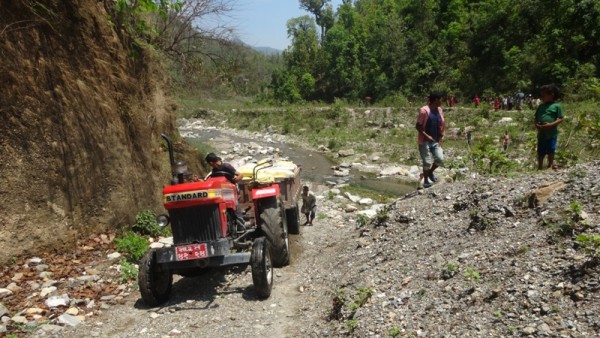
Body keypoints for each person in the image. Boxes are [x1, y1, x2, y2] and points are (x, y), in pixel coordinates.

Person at [416, 91, 445, 188]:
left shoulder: (439, 110)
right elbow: (418, 126)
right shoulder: (424, 110)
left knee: (440, 159)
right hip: (425, 141)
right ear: (436, 100)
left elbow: (441, 124)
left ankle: (429, 173)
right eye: (441, 99)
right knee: (427, 162)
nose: (442, 101)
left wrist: (441, 136)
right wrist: (427, 136)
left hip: (435, 141)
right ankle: (426, 181)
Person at [534, 84, 564, 170]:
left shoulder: (557, 106)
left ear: (551, 95)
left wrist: (550, 125)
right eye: (541, 95)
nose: (542, 97)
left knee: (551, 149)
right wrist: (537, 125)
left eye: (544, 95)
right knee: (541, 150)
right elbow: (535, 118)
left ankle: (550, 165)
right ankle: (539, 167)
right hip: (541, 133)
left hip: (551, 133)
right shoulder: (541, 106)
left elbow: (560, 119)